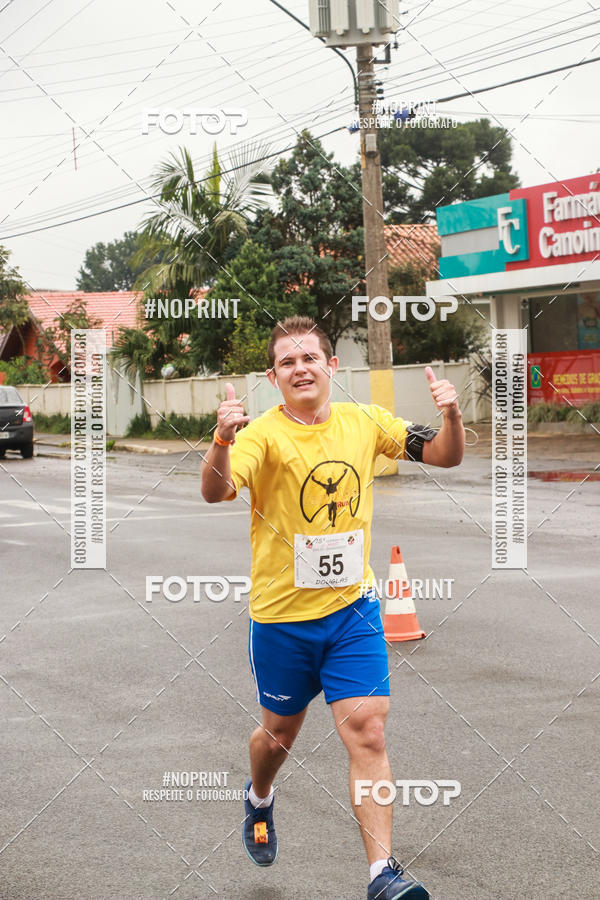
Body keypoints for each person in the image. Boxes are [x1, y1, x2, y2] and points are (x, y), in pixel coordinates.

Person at [201, 316, 465, 899]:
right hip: (282, 621)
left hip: (354, 612)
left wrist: (451, 416)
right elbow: (216, 491)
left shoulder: (364, 422)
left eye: (310, 358)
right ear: (274, 377)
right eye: (288, 362)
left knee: (369, 732)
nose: (301, 369)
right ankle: (260, 797)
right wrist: (221, 440)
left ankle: (382, 875)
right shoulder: (261, 436)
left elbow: (445, 456)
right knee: (276, 738)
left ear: (331, 366)